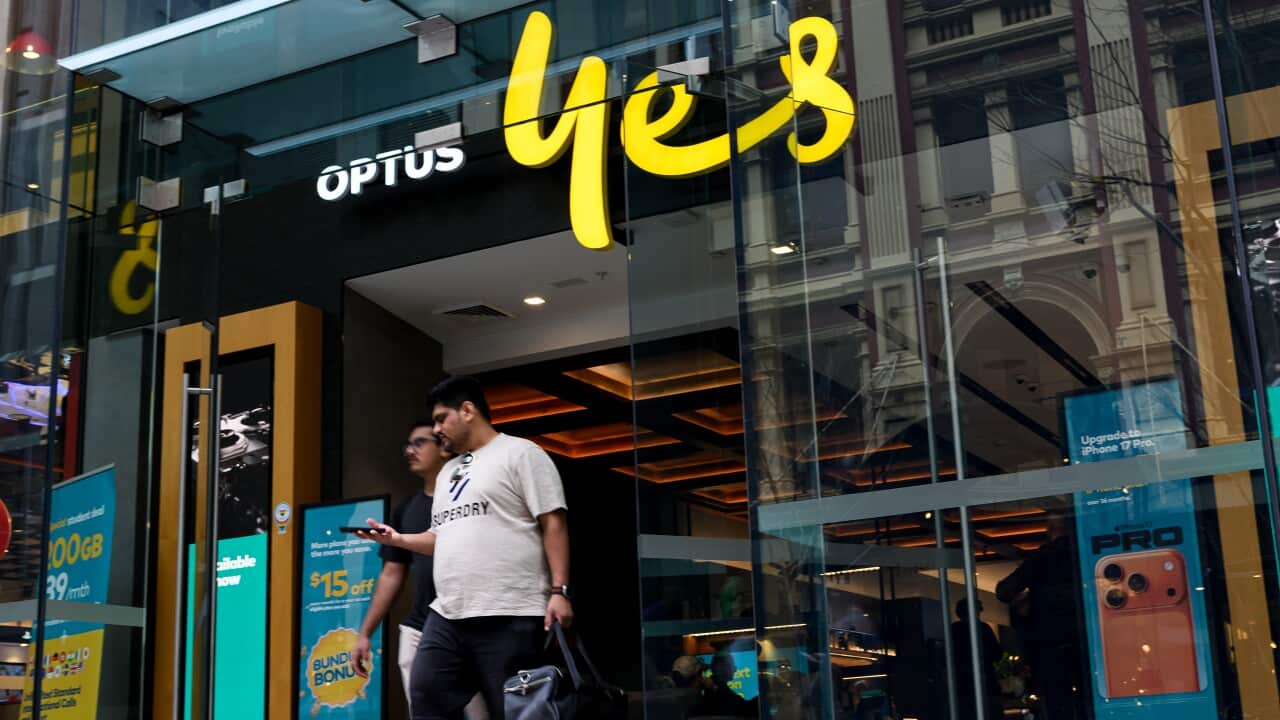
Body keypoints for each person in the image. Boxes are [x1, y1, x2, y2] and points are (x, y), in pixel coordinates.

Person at [359, 376, 572, 720]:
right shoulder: (449, 473)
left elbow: (553, 522)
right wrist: (396, 540)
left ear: (468, 410)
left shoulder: (520, 453)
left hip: (509, 610)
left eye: (443, 418)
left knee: (512, 709)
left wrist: (559, 590)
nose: (438, 428)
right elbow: (439, 538)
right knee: (426, 691)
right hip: (448, 613)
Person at [350, 422, 486, 718]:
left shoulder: (469, 500)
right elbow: (392, 573)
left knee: (479, 712)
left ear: (442, 448)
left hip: (468, 622)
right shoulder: (407, 509)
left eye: (419, 443)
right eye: (408, 445)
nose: (410, 451)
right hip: (419, 626)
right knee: (422, 710)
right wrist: (365, 634)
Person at [996, 513, 1082, 720]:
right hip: (1085, 636)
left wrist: (1025, 599)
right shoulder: (1084, 553)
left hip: (1050, 639)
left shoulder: (1043, 557)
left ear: (1050, 531)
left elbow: (1004, 591)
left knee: (1057, 701)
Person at [950, 598, 1002, 720]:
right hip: (984, 680)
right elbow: (997, 654)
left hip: (963, 683)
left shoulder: (954, 629)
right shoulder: (983, 628)